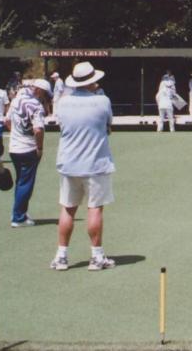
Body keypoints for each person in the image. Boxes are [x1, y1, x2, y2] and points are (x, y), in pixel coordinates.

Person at [51, 61, 117, 271]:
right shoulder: (102, 101)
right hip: (95, 163)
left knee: (68, 208)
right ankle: (97, 257)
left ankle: (61, 256)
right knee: (94, 208)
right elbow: (108, 125)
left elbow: (62, 125)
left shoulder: (63, 102)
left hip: (69, 162)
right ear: (92, 81)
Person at [5, 78, 51, 227]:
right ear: (39, 91)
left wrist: (16, 134)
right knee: (26, 183)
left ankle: (19, 212)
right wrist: (40, 148)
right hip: (28, 149)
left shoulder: (16, 100)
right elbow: (38, 129)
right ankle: (18, 218)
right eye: (45, 94)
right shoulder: (36, 106)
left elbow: (7, 120)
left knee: (20, 181)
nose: (45, 97)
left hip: (14, 148)